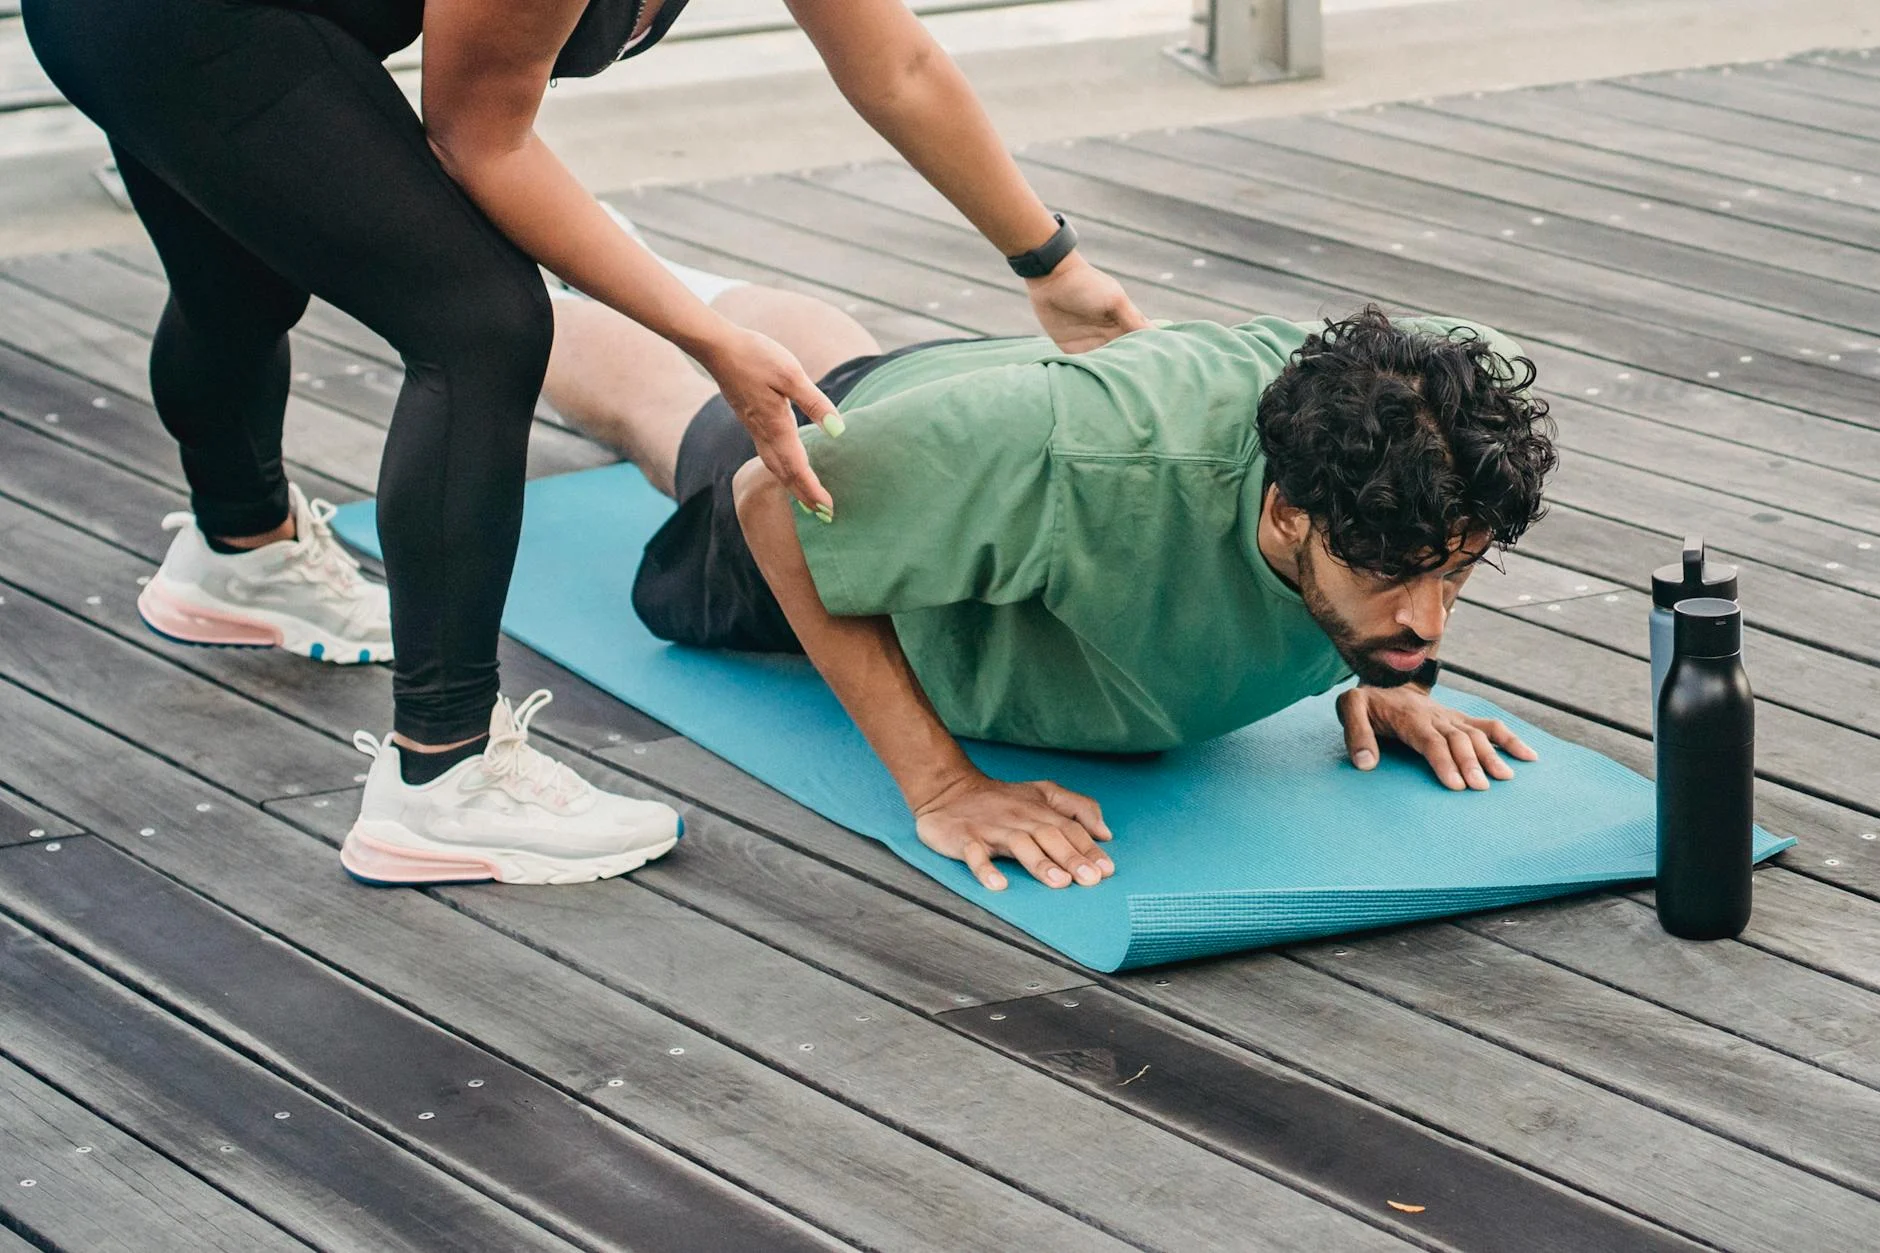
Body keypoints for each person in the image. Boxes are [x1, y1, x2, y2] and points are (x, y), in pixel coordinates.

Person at [22, 0, 1146, 887]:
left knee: (237, 283)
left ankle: (243, 554)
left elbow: (893, 63)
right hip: (173, 21)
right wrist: (708, 334)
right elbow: (476, 139)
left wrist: (1050, 264)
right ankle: (443, 778)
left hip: (152, 21)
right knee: (481, 320)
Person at [533, 240, 1559, 895]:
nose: (1431, 618)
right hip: (900, 469)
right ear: (1287, 508)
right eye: (1391, 576)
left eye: (1453, 574)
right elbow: (771, 501)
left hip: (970, 409)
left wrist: (1389, 670)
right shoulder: (1085, 458)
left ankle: (644, 264)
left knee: (845, 367)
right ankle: (527, 270)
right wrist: (941, 785)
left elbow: (1417, 539)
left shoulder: (1443, 401)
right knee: (670, 417)